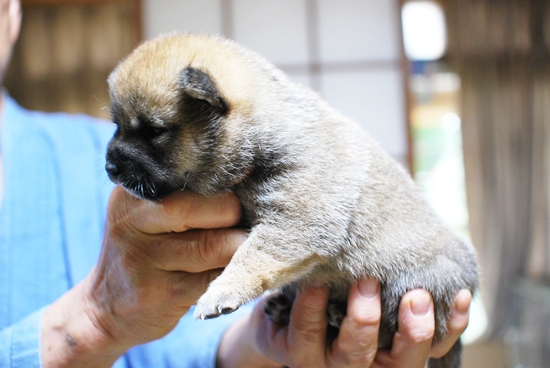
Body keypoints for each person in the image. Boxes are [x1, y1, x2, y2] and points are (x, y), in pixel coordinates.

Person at [0, 0, 472, 367]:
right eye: (120, 127)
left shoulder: (81, 151)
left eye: (153, 133)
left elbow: (187, 345)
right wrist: (95, 319)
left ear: (13, 11)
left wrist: (265, 343)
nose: (117, 158)